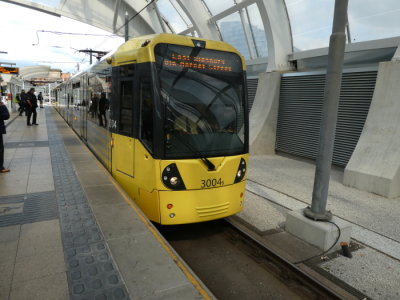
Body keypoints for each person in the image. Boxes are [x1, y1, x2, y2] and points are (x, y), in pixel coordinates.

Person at [0, 100, 10, 173]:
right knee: (0, 149)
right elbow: (6, 116)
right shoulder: (1, 107)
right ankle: (1, 168)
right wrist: (3, 106)